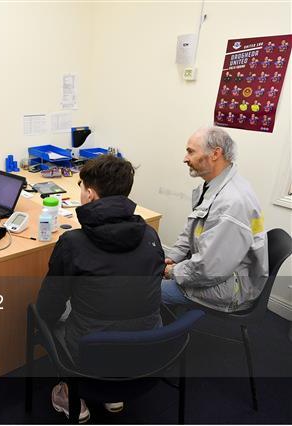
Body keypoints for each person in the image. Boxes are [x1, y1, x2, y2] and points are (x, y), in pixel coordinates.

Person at [36, 155, 164, 422]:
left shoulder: (72, 243)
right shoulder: (150, 235)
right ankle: (114, 393)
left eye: (81, 187)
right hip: (148, 349)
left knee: (48, 314)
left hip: (88, 352)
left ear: (90, 195)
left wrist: (42, 324)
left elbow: (50, 303)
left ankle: (72, 394)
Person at [161, 127, 268, 312]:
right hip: (216, 270)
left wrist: (172, 272)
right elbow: (192, 230)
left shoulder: (232, 203)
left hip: (230, 287)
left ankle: (159, 336)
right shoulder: (217, 186)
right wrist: (171, 258)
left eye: (190, 151)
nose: (185, 158)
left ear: (215, 154)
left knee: (143, 290)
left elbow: (208, 270)